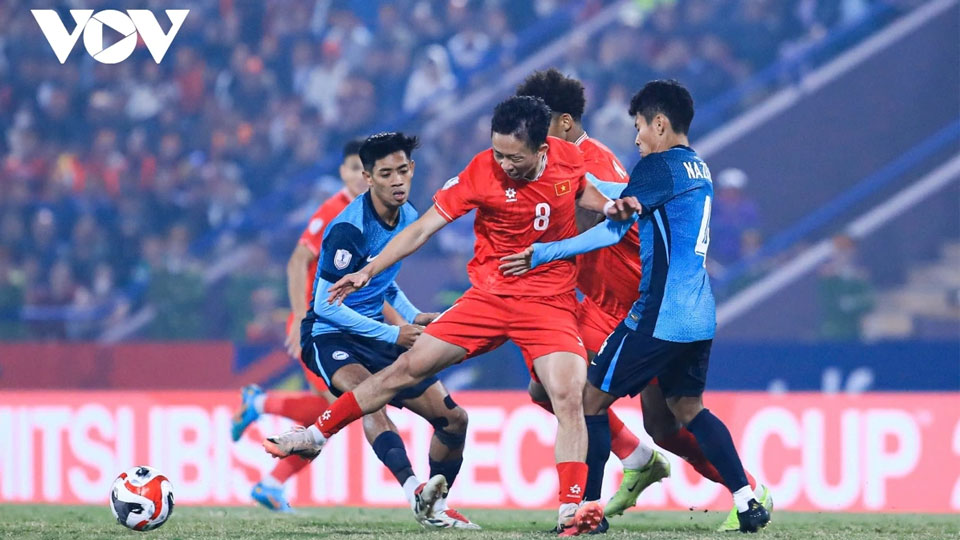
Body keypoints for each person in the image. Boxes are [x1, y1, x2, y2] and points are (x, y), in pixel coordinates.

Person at [264, 96, 639, 536]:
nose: (502, 163)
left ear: (542, 149)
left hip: (550, 303)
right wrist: (368, 270)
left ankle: (570, 513)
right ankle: (315, 435)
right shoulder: (480, 172)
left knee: (568, 396)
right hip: (489, 298)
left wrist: (610, 207)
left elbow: (585, 193)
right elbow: (421, 229)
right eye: (497, 151)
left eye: (513, 157)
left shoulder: (568, 158)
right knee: (406, 368)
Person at [500, 80, 772, 533]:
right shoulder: (698, 167)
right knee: (679, 416)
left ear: (660, 125)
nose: (636, 138)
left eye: (640, 127)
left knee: (587, 399)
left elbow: (613, 221)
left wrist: (545, 251)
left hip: (644, 310)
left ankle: (591, 506)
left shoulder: (640, 168)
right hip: (695, 311)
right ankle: (745, 495)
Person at [515, 69, 666, 530]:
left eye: (537, 127)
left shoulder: (592, 163)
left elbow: (593, 228)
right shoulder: (566, 157)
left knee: (673, 423)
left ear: (562, 123)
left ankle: (746, 491)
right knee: (547, 388)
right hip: (596, 300)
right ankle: (638, 458)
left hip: (627, 304)